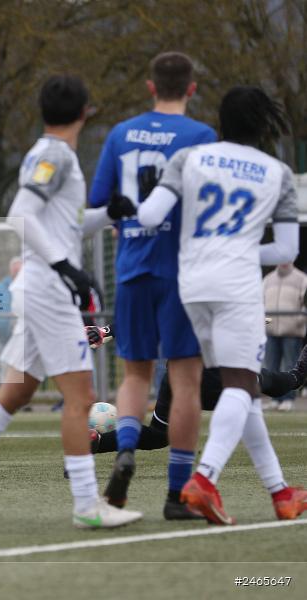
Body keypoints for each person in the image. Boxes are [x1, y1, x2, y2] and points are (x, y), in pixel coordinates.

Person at [0, 75, 140, 530]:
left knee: (19, 390)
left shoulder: (46, 153)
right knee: (81, 397)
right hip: (49, 293)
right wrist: (67, 267)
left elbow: (57, 224)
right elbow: (21, 216)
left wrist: (109, 213)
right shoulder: (54, 154)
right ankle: (88, 504)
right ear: (86, 111)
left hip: (41, 289)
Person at [138, 85, 307, 524]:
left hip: (191, 282)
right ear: (265, 126)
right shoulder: (277, 172)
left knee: (242, 390)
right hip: (235, 285)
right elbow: (285, 249)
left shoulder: (189, 159)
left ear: (221, 121)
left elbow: (151, 216)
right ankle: (205, 479)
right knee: (241, 382)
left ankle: (280, 492)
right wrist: (240, 248)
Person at [88, 51, 218, 516]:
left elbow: (102, 207)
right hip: (183, 272)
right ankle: (175, 495)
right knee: (185, 381)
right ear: (192, 88)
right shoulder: (202, 137)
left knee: (135, 374)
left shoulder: (121, 134)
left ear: (149, 87)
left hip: (132, 269)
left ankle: (124, 448)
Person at [88, 325, 307, 457]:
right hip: (211, 375)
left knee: (158, 435)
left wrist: (106, 330)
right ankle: (201, 481)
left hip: (176, 374)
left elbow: (143, 315)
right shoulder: (214, 279)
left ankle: (96, 442)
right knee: (255, 393)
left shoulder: (174, 285)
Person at [262, 263, 307, 411]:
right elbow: (261, 303)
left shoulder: (302, 278)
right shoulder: (268, 279)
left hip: (292, 331)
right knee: (271, 366)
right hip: (271, 330)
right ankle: (274, 398)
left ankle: (288, 399)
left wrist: (298, 321)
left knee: (291, 367)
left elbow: (304, 305)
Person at [0, 257, 22, 355]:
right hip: (3, 335)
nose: (17, 272)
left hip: (22, 334)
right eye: (15, 270)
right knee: (4, 365)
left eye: (19, 270)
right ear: (10, 270)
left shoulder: (28, 287)